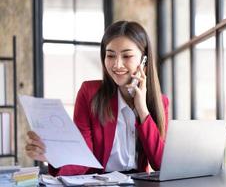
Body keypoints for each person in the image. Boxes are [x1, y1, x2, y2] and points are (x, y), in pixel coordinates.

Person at [25, 20, 169, 176]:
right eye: (110, 55)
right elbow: (83, 159)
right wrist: (53, 157)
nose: (117, 64)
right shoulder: (89, 93)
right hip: (98, 182)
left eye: (127, 56)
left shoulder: (160, 102)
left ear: (144, 61)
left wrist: (142, 110)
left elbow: (160, 163)